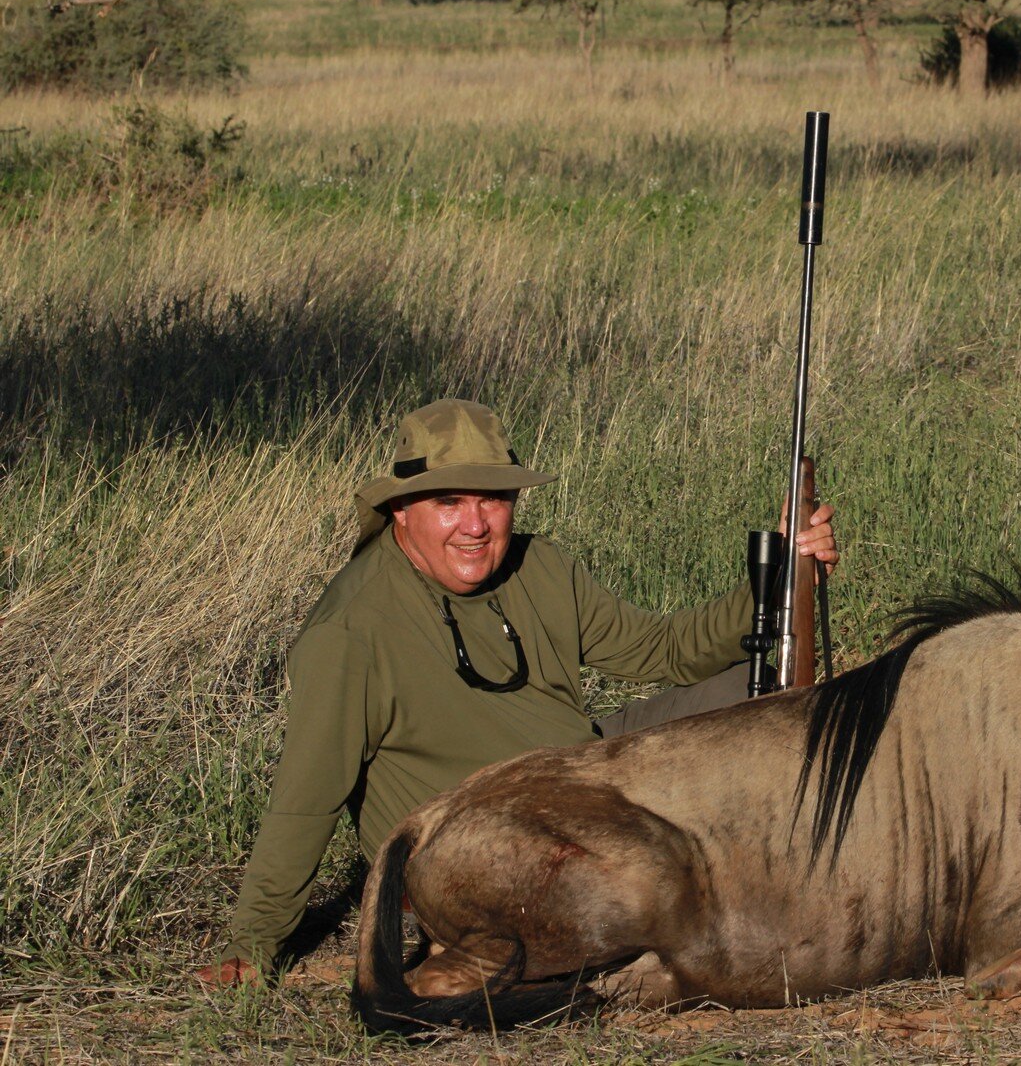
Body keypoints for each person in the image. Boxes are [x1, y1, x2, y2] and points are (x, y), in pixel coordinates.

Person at [196, 398, 838, 986]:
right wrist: (252, 945)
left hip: (588, 771)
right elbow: (303, 803)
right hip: (490, 848)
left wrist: (781, 575)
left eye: (494, 499)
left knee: (780, 694)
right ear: (401, 509)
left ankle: (802, 863)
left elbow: (664, 651)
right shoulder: (351, 631)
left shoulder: (541, 566)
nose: (475, 525)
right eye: (449, 501)